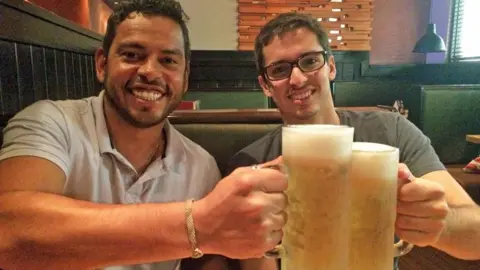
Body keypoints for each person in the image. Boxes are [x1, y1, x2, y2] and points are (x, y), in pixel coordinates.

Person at [0, 1, 287, 269]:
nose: (150, 71)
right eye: (132, 55)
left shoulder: (200, 166)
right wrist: (198, 225)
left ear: (185, 78)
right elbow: (10, 233)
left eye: (168, 61)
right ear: (102, 64)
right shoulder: (51, 123)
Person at [226, 12, 480, 270]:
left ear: (331, 67)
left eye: (310, 61)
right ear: (266, 85)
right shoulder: (252, 165)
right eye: (279, 69)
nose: (298, 78)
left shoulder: (391, 133)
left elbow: (475, 237)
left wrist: (437, 222)